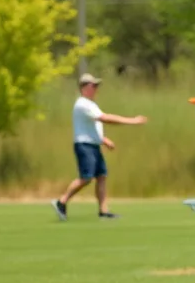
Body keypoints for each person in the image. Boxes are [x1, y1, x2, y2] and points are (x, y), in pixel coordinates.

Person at [52, 73, 146, 220]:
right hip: (85, 145)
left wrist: (103, 140)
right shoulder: (83, 104)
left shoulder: (91, 104)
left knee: (101, 176)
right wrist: (132, 121)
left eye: (96, 86)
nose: (96, 89)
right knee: (86, 178)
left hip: (93, 144)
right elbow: (105, 119)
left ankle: (103, 211)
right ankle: (61, 202)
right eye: (93, 86)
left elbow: (89, 127)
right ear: (84, 88)